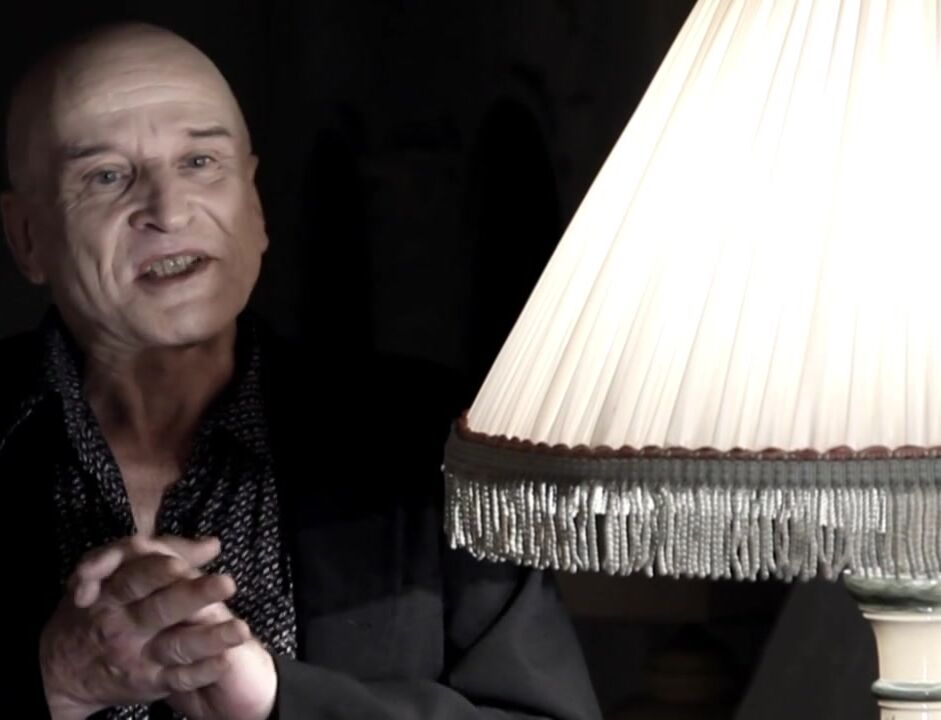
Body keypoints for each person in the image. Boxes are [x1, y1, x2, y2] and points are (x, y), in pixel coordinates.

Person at [0, 21, 602, 720]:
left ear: (253, 206)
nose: (168, 210)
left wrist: (283, 702)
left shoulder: (431, 440)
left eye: (200, 162)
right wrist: (55, 680)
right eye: (107, 176)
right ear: (27, 237)